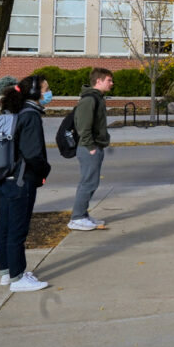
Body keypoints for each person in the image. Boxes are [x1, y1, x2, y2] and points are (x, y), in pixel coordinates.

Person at [0, 75, 53, 292]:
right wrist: (44, 171)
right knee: (18, 230)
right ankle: (18, 278)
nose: (49, 93)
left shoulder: (13, 113)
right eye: (46, 88)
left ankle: (7, 272)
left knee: (6, 227)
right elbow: (33, 154)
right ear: (35, 93)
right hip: (21, 179)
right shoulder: (30, 117)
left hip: (4, 177)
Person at [69, 67, 113, 231]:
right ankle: (77, 218)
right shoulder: (89, 100)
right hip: (89, 148)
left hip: (93, 146)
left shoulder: (97, 98)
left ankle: (83, 215)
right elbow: (83, 127)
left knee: (89, 182)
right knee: (88, 183)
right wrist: (91, 147)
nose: (111, 83)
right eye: (109, 80)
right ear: (98, 81)